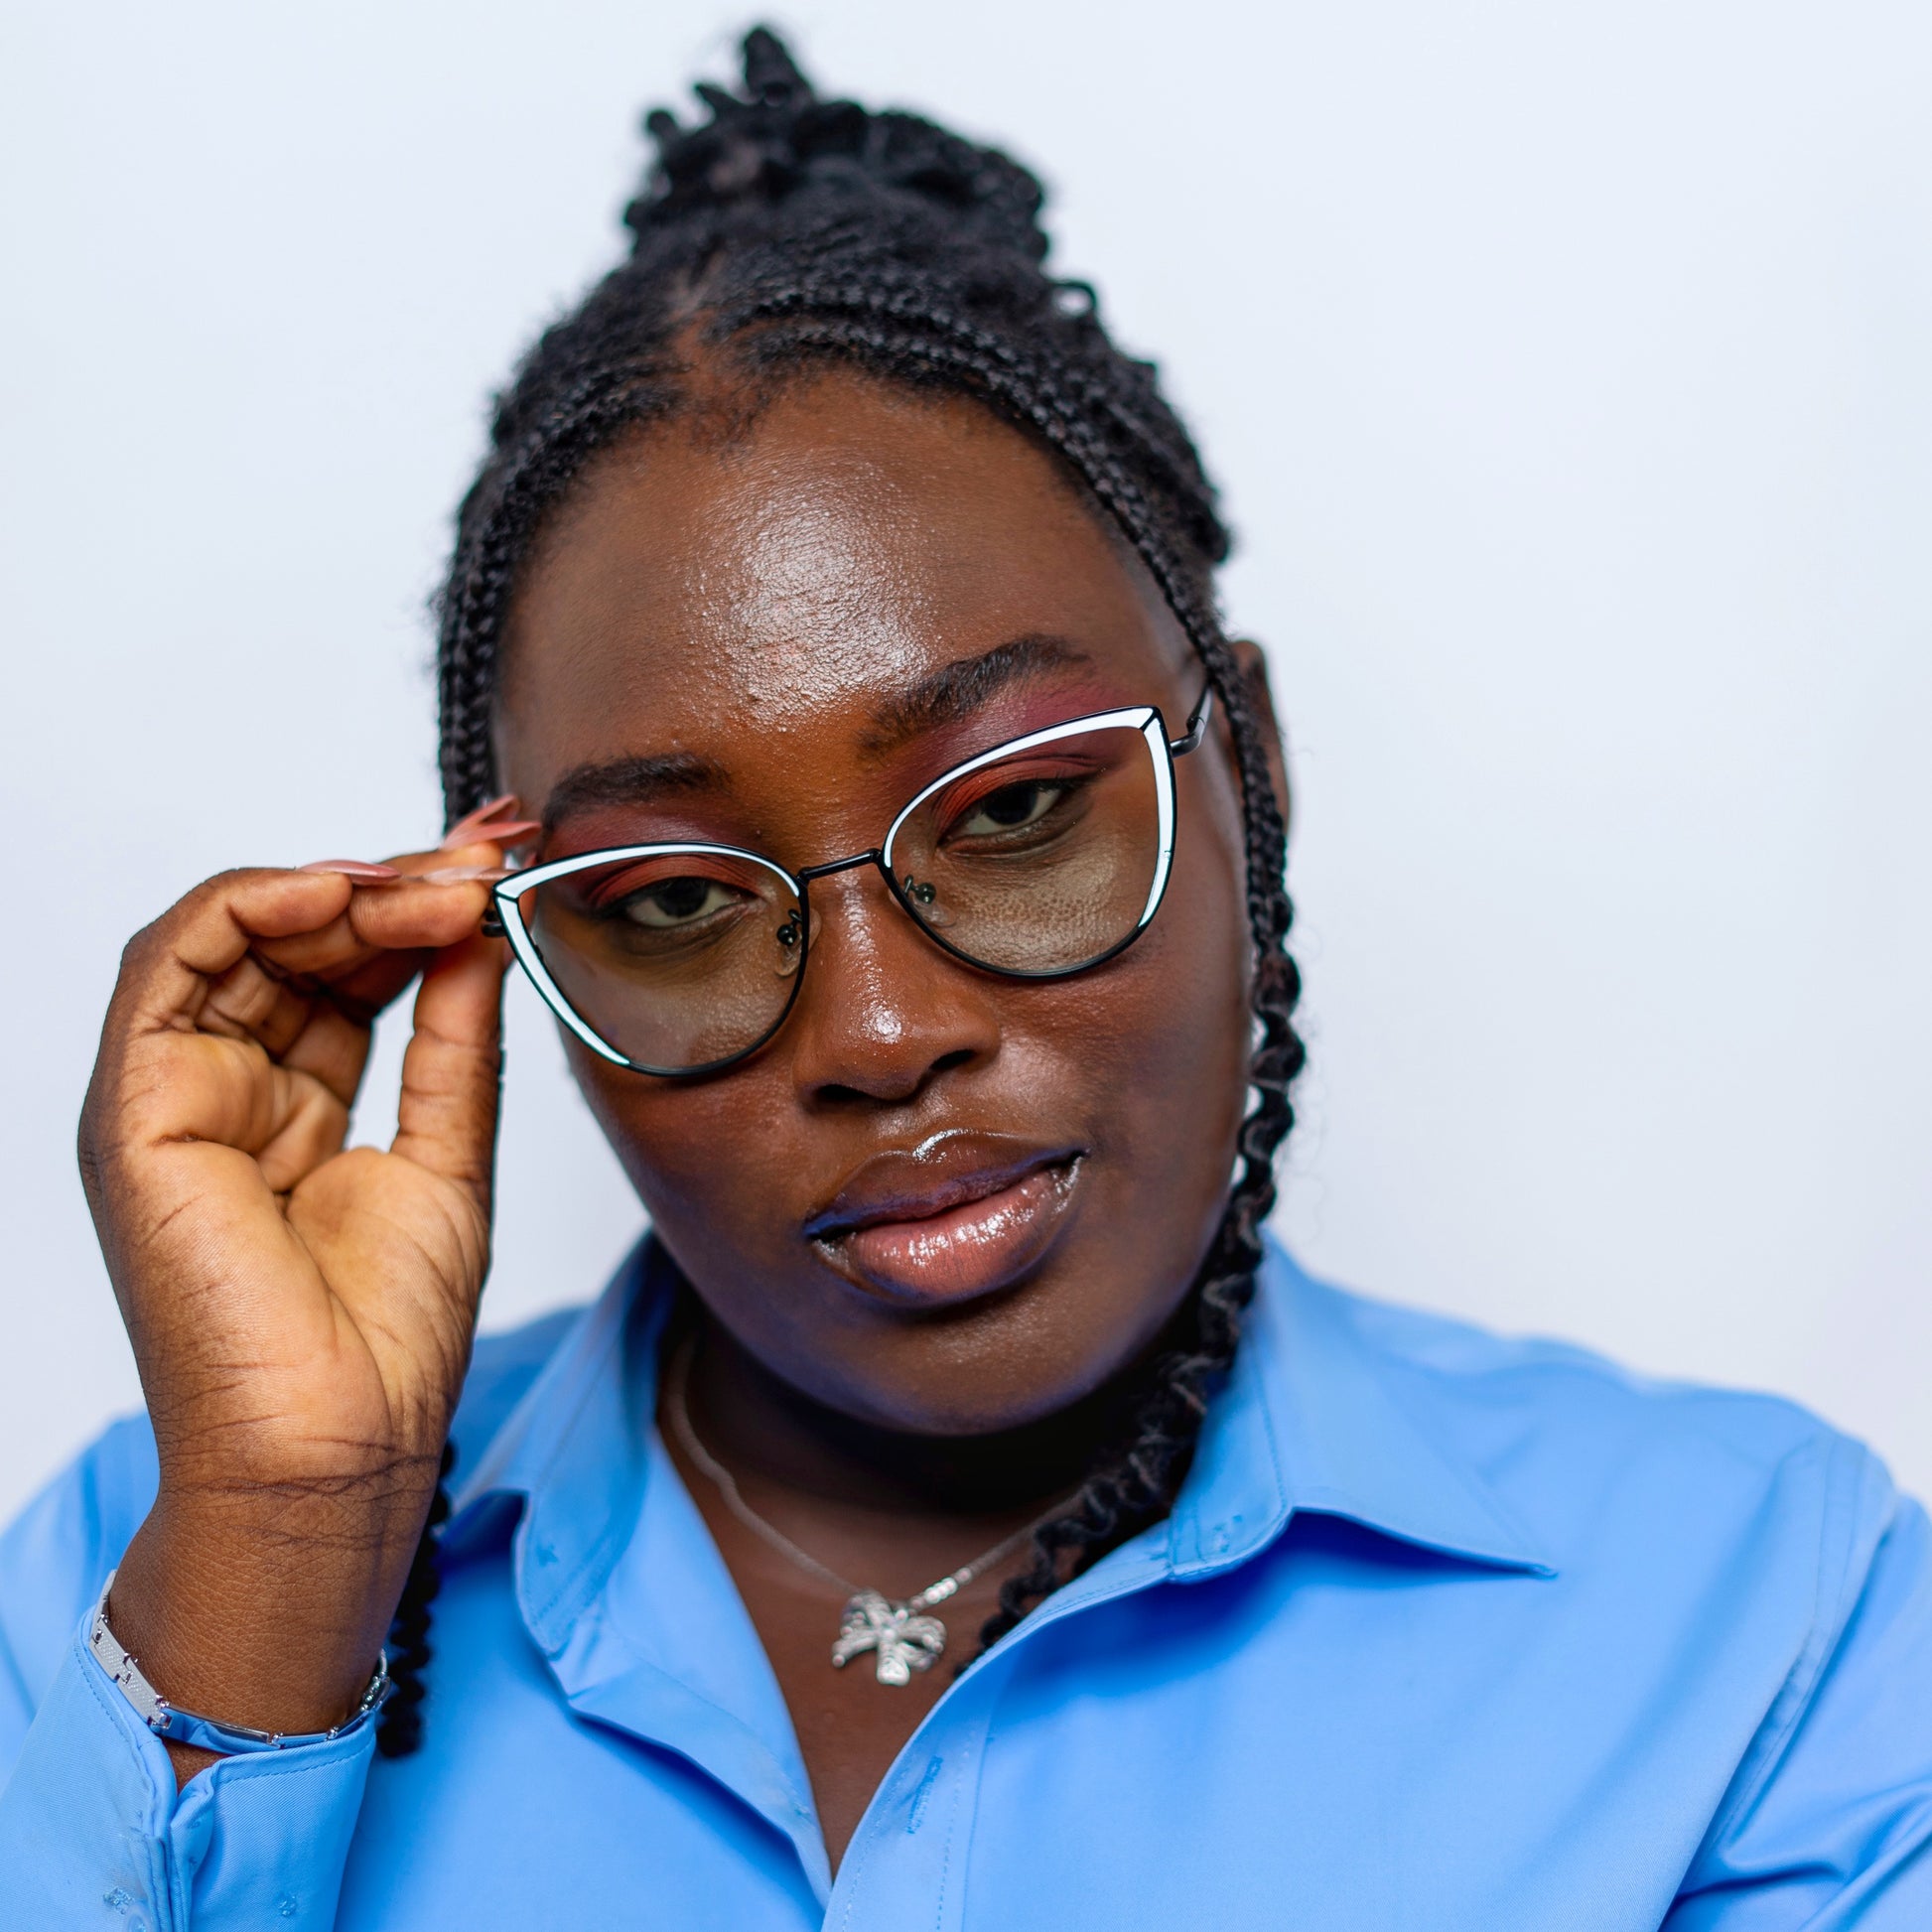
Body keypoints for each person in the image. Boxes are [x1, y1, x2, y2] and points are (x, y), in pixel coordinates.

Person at [2, 28, 1928, 1929]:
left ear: (1241, 767)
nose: (879, 1033)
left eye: (1011, 813)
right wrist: (275, 1557)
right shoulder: (141, 1574)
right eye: (671, 902)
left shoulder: (1761, 1617)